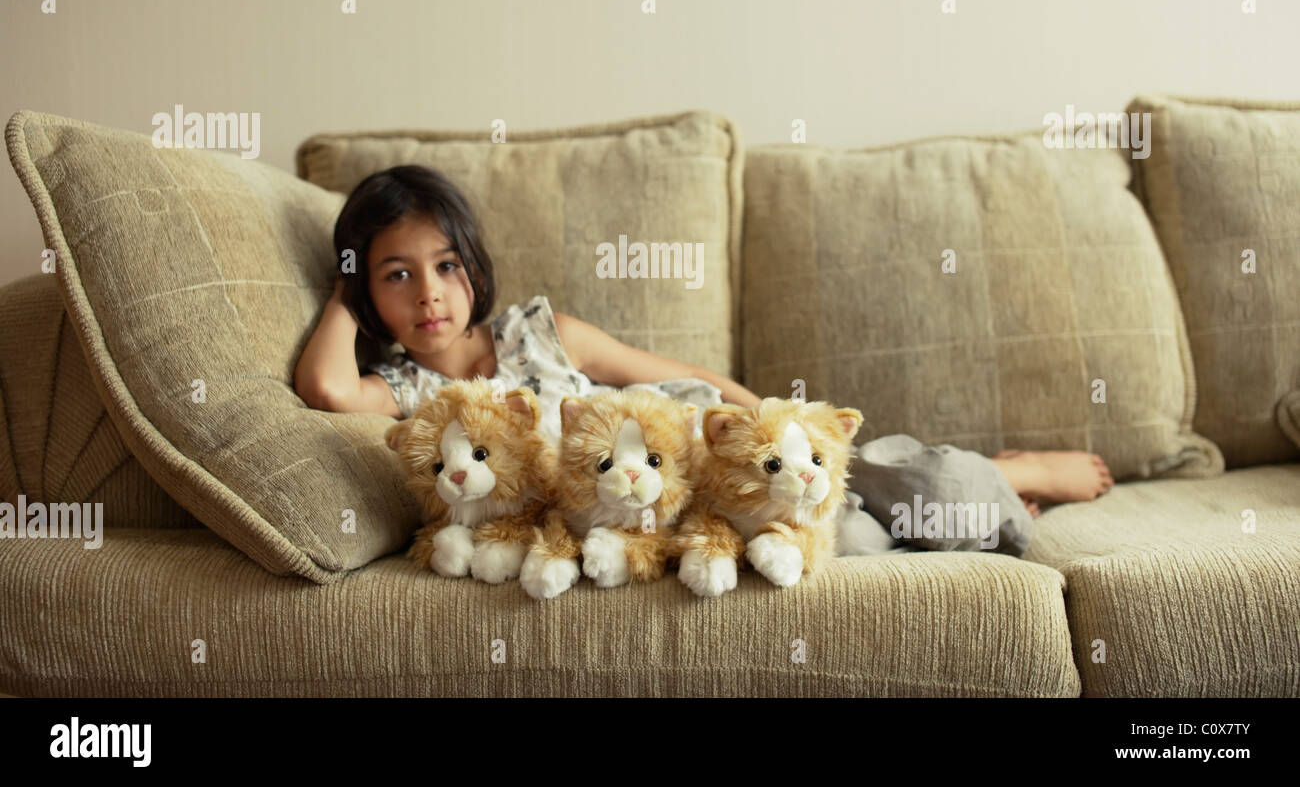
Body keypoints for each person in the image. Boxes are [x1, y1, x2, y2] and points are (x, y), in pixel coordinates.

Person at [294, 164, 1113, 556]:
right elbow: (327, 386)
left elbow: (677, 374)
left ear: (472, 263)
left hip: (725, 444)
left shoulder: (539, 334)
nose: (429, 295)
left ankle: (1010, 473)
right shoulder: (411, 394)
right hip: (683, 507)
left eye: (444, 265)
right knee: (859, 549)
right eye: (397, 276)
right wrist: (350, 282)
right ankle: (982, 503)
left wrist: (763, 421)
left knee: (936, 491)